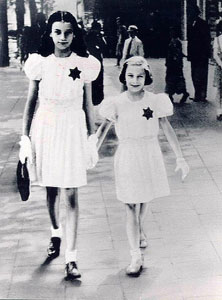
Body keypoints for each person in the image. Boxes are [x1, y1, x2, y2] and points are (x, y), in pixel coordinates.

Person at [20, 11, 100, 279]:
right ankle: (56, 232)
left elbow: (87, 104)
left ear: (74, 33)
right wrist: (24, 137)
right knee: (51, 188)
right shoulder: (40, 63)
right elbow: (30, 103)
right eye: (57, 32)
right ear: (50, 34)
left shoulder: (85, 64)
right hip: (46, 127)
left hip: (72, 128)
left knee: (71, 193)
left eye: (67, 32)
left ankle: (72, 258)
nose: (63, 37)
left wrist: (92, 136)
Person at [99, 56, 189, 277]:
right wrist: (91, 150)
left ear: (146, 77)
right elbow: (103, 129)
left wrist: (180, 157)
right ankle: (135, 256)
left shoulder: (155, 100)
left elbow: (166, 127)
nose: (135, 80)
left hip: (149, 154)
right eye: (130, 76)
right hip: (128, 155)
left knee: (144, 198)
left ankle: (138, 227)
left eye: (140, 76)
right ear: (124, 77)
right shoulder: (117, 103)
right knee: (130, 204)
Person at [187, 5, 211, 102]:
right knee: (194, 74)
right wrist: (189, 54)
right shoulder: (190, 24)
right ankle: (198, 94)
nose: (189, 15)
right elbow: (190, 41)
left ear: (196, 13)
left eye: (191, 13)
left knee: (202, 75)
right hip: (194, 55)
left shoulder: (203, 24)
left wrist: (206, 53)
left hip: (202, 55)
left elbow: (207, 40)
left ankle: (202, 95)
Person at [165, 26, 189, 105]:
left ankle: (182, 93)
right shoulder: (173, 41)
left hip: (174, 65)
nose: (171, 33)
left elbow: (177, 54)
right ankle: (170, 94)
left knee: (176, 79)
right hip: (171, 64)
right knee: (171, 79)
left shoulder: (176, 42)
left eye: (172, 32)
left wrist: (176, 63)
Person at [85, 21, 106, 106]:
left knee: (94, 79)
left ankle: (94, 97)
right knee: (97, 78)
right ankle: (96, 98)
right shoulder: (94, 35)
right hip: (95, 59)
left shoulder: (89, 35)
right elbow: (103, 46)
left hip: (93, 59)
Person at [213, 20, 222, 120]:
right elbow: (215, 55)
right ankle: (219, 111)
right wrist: (221, 64)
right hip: (220, 69)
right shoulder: (218, 40)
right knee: (220, 90)